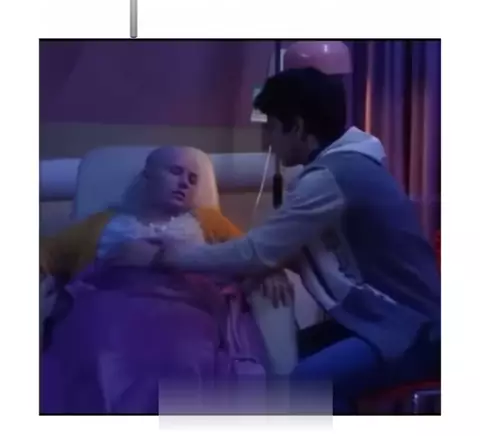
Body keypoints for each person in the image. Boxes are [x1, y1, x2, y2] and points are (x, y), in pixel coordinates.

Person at [154, 69, 441, 414]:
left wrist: (170, 256)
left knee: (302, 387)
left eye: (272, 128)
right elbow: (304, 248)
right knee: (284, 363)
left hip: (414, 331)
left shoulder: (333, 176)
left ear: (298, 127)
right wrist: (267, 267)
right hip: (378, 320)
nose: (267, 142)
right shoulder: (346, 165)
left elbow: (256, 250)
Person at [40, 147, 289, 415]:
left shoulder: (207, 221)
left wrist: (269, 270)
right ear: (147, 176)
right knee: (98, 353)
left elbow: (250, 251)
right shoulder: (103, 224)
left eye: (193, 179)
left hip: (184, 309)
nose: (185, 182)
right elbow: (48, 251)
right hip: (110, 305)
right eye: (175, 172)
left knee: (184, 357)